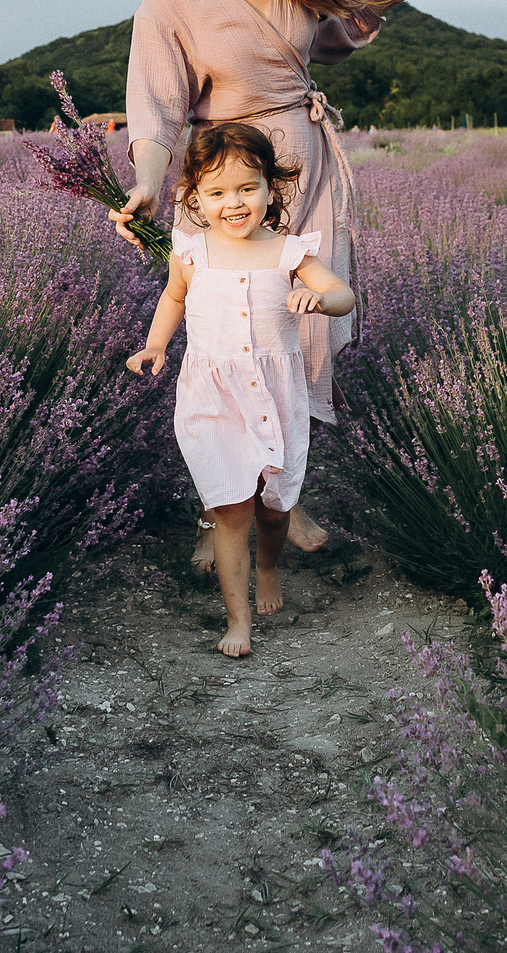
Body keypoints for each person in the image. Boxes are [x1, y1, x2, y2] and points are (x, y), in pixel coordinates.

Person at [113, 0, 434, 573]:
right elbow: (156, 109)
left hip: (305, 180)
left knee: (300, 343)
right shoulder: (169, 1)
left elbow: (326, 39)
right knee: (228, 347)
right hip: (229, 190)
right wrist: (148, 182)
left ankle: (278, 499)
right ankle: (218, 507)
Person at [126, 123, 356, 656]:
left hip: (277, 396)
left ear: (271, 187)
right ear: (194, 198)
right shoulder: (191, 253)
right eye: (217, 192)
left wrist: (320, 300)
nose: (234, 203)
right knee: (231, 509)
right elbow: (173, 298)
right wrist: (156, 345)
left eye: (247, 188)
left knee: (274, 508)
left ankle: (269, 566)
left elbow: (341, 293)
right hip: (213, 396)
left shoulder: (289, 253)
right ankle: (238, 619)